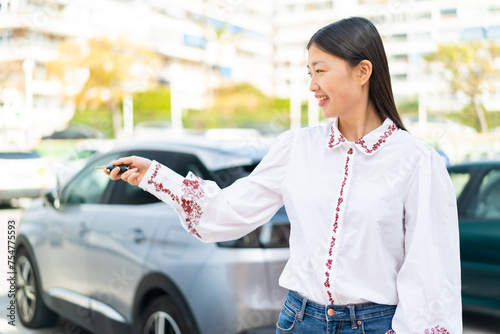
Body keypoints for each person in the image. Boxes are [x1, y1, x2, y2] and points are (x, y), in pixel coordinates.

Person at [106, 17, 462, 334]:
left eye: (320, 71)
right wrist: (156, 176)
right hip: (299, 320)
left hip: (378, 326)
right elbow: (228, 211)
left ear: (362, 71)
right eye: (310, 73)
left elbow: (431, 273)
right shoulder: (297, 148)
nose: (312, 85)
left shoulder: (416, 161)